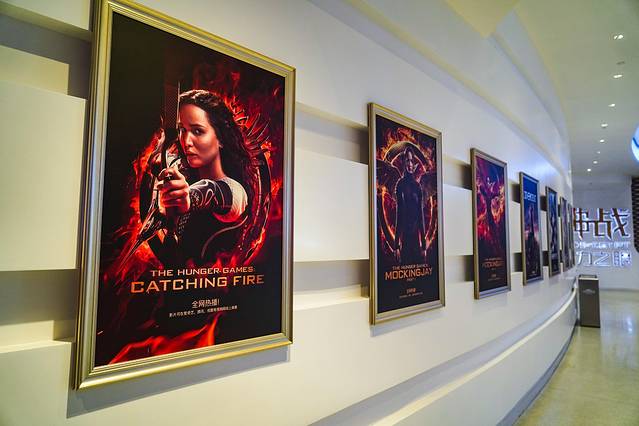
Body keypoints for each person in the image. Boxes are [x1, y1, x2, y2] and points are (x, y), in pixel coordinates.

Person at [154, 89, 251, 265]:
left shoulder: (235, 190)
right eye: (182, 130)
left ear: (220, 138)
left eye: (198, 131)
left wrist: (188, 197)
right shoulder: (178, 171)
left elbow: (216, 191)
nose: (186, 141)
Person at [394, 146, 427, 264]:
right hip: (405, 240)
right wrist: (396, 245)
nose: (410, 164)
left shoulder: (418, 187)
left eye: (412, 160)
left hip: (416, 241)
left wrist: (424, 245)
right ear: (404, 162)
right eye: (407, 160)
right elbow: (399, 215)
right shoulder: (400, 185)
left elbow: (421, 216)